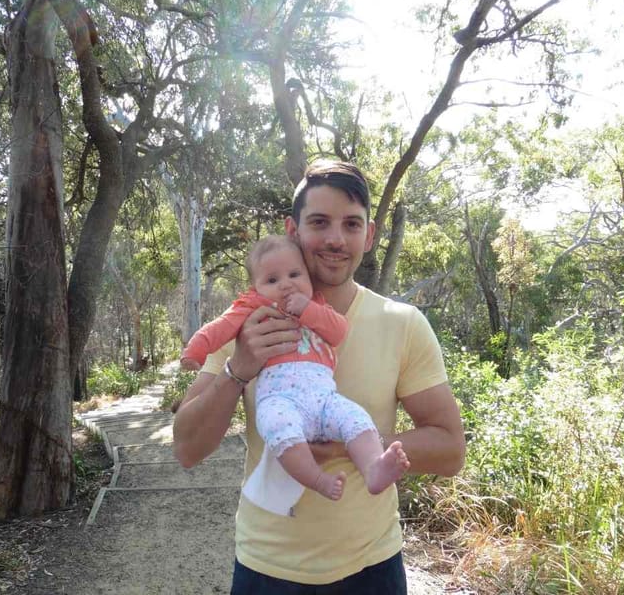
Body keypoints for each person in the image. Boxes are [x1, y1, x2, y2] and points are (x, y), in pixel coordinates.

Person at [173, 159, 465, 593]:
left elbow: (449, 449)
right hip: (267, 567)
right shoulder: (249, 321)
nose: (335, 238)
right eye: (319, 222)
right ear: (293, 231)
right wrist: (238, 370)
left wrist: (361, 444)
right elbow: (186, 448)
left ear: (369, 235)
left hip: (373, 568)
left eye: (351, 224)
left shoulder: (402, 323)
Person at [180, 235, 410, 513]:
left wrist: (308, 310)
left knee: (356, 418)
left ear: (308, 275)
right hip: (280, 400)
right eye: (272, 280)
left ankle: (373, 468)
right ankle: (317, 479)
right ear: (255, 288)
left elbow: (338, 331)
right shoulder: (252, 308)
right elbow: (218, 328)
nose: (286, 284)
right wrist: (194, 352)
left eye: (294, 274)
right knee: (277, 426)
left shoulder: (316, 302)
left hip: (324, 399)